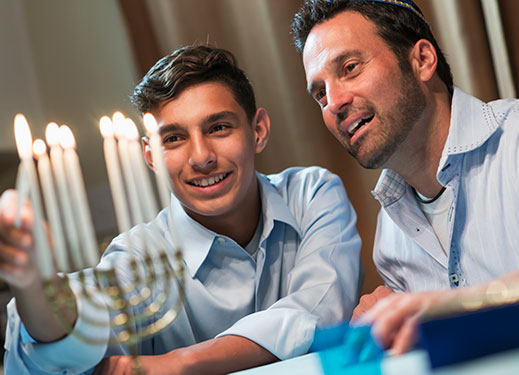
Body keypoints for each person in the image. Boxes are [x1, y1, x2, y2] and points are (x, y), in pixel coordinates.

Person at [1, 45, 362, 374]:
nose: (201, 157)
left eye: (219, 127)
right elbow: (80, 325)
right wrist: (35, 283)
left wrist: (182, 363)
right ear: (150, 157)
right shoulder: (141, 257)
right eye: (173, 139)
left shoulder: (311, 194)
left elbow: (321, 307)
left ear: (258, 130)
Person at [291, 0, 519, 355]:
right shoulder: (390, 239)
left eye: (350, 68)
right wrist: (390, 326)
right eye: (320, 94)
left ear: (422, 60)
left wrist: (461, 308)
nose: (333, 102)